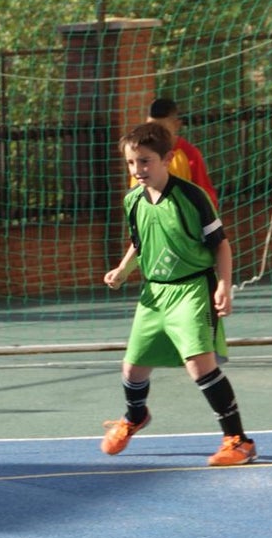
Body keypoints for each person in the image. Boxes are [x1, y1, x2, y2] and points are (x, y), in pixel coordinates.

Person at [101, 122, 256, 466]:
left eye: (145, 161)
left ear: (167, 159)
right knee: (132, 370)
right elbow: (139, 242)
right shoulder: (133, 200)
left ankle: (238, 441)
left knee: (200, 365)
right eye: (131, 162)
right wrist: (123, 270)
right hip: (154, 292)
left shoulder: (191, 197)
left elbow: (221, 245)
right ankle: (135, 417)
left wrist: (224, 285)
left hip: (192, 289)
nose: (138, 169)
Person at [146, 97, 219, 208]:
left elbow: (207, 200)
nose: (156, 134)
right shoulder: (142, 153)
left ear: (177, 125)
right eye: (151, 128)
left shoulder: (189, 155)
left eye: (162, 129)